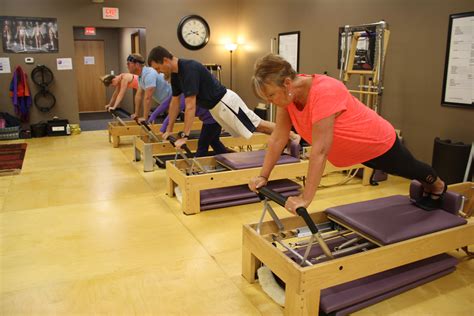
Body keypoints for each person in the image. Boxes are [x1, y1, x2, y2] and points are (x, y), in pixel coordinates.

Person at [249, 53, 447, 213]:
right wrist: (263, 176)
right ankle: (428, 187)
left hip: (378, 141)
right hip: (359, 153)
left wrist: (305, 198)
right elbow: (278, 139)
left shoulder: (323, 91)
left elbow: (319, 150)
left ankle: (438, 186)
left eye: (271, 95)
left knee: (409, 170)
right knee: (406, 171)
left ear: (287, 84)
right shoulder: (287, 99)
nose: (269, 101)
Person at [146, 46, 300, 150]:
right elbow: (174, 102)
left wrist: (184, 136)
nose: (159, 72)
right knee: (253, 126)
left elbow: (190, 106)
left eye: (158, 68)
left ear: (165, 61)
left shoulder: (189, 69)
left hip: (225, 102)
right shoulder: (176, 76)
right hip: (216, 108)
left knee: (256, 125)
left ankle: (292, 136)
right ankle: (288, 137)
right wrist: (170, 129)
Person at [127, 53, 226, 157]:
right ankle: (229, 159)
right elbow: (165, 104)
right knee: (214, 141)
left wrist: (164, 128)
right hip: (209, 119)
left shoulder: (186, 93)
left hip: (214, 118)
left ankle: (197, 169)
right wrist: (152, 117)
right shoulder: (178, 91)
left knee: (202, 144)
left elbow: (174, 112)